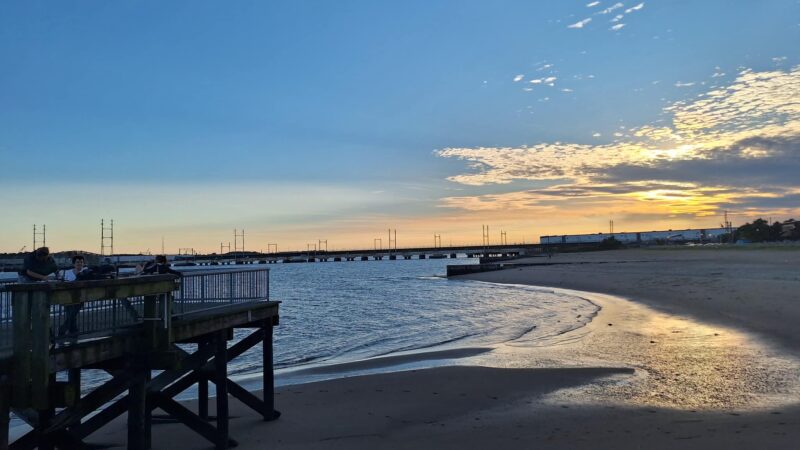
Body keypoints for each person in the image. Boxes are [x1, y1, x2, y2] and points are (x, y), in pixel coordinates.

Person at [59, 255, 88, 337]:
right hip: (68, 297)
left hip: (80, 297)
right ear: (73, 263)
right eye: (77, 262)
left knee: (72, 314)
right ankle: (73, 331)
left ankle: (63, 330)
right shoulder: (67, 272)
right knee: (71, 315)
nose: (80, 264)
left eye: (81, 262)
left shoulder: (85, 272)